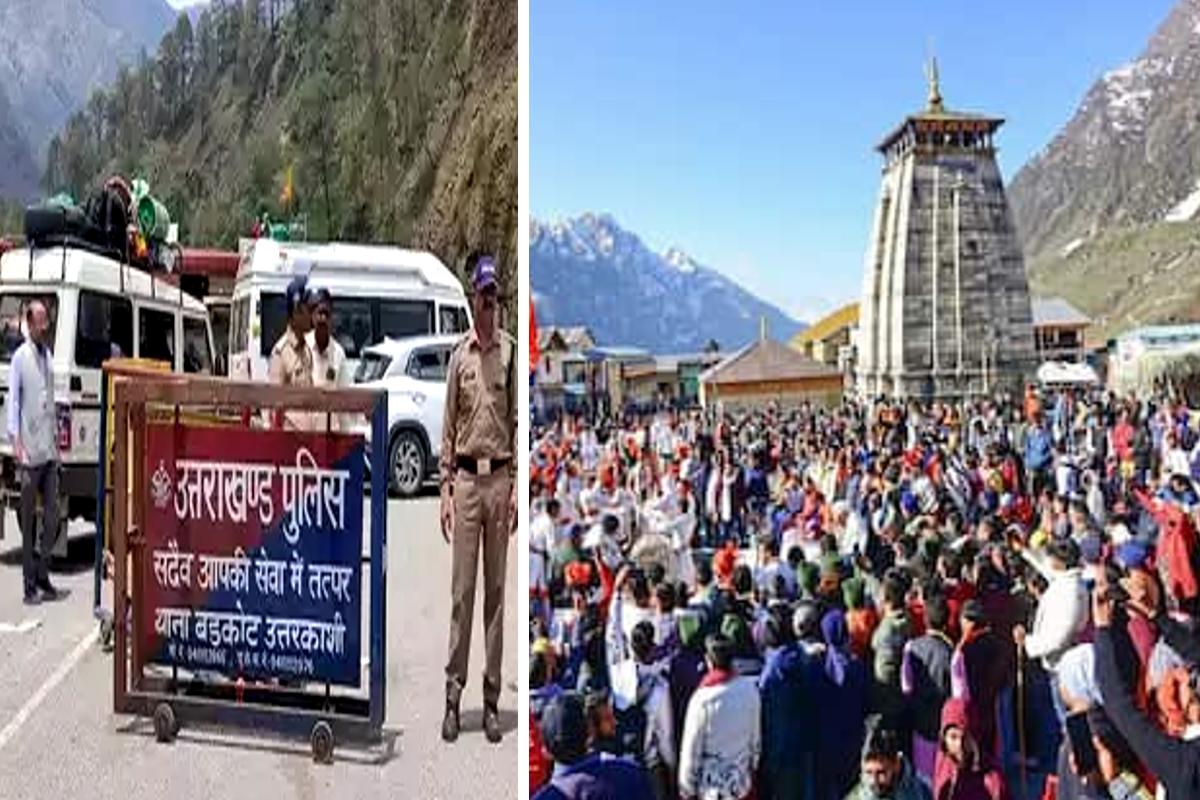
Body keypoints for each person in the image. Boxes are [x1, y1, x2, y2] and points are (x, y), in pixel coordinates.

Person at [440, 253, 517, 744]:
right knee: (462, 594)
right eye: (481, 297)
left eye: (493, 298)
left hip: (501, 481)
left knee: (494, 596)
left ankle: (490, 701)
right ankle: (452, 696)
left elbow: (517, 424)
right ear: (472, 300)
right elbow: (448, 428)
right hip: (467, 482)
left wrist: (517, 492)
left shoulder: (509, 354)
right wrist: (445, 491)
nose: (487, 305)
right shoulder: (458, 358)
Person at [7, 300, 62, 605]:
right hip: (28, 453)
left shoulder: (48, 356)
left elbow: (50, 401)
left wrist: (57, 444)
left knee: (52, 515)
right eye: (41, 322)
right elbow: (14, 401)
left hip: (49, 451)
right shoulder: (20, 358)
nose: (46, 326)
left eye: (47, 321)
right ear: (29, 322)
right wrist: (15, 442)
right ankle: (29, 584)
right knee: (28, 520)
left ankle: (43, 573)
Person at [678, 634, 761, 800]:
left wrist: (686, 789)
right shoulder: (750, 690)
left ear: (708, 661)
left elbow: (691, 751)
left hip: (712, 791)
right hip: (741, 786)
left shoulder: (701, 700)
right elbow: (756, 743)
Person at [534, 692, 656, 800]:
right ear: (590, 734)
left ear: (546, 752)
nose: (614, 722)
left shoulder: (547, 796)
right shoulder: (630, 774)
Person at [932, 698, 1010, 800]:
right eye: (953, 737)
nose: (959, 744)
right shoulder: (942, 765)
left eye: (966, 738)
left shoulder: (992, 781)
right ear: (944, 739)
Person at [267, 275, 315, 430]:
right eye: (309, 309)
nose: (312, 315)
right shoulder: (280, 354)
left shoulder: (307, 349)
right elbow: (274, 410)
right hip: (290, 443)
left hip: (309, 443)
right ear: (296, 312)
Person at [843, 717, 932, 800]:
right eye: (868, 773)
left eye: (881, 772)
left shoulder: (923, 793)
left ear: (896, 764)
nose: (873, 781)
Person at [306, 287, 351, 431]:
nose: (322, 319)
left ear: (331, 317)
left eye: (326, 314)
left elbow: (345, 401)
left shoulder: (339, 354)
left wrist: (346, 438)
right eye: (319, 313)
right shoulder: (302, 348)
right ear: (312, 317)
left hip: (331, 438)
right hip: (304, 436)